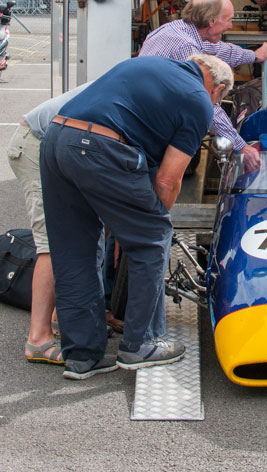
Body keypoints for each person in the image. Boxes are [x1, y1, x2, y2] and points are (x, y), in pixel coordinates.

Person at [40, 53, 233, 380]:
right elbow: (167, 181)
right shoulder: (199, 99)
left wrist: (125, 224)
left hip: (56, 140)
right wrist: (144, 226)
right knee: (153, 237)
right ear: (218, 88)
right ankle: (141, 344)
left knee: (73, 253)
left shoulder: (145, 66)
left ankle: (82, 357)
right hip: (97, 147)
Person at [7, 84, 92, 364]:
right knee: (52, 244)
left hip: (57, 146)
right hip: (35, 145)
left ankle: (59, 322)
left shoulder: (139, 83)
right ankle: (38, 339)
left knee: (74, 236)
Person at [139, 0, 267, 164]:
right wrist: (241, 146)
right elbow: (204, 105)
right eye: (228, 20)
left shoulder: (176, 29)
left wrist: (254, 56)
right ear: (212, 21)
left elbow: (219, 49)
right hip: (149, 132)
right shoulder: (185, 47)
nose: (230, 26)